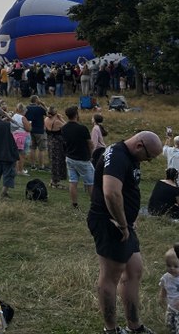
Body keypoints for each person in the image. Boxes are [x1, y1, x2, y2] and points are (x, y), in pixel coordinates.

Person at [89, 131, 163, 334]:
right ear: (139, 145)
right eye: (149, 157)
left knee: (134, 270)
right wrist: (122, 224)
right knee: (110, 276)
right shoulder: (118, 156)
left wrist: (130, 219)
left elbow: (127, 189)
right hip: (110, 222)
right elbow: (111, 192)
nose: (148, 161)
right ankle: (111, 329)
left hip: (124, 223)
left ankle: (134, 326)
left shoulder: (129, 155)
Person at [62, 105, 95, 210]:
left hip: (70, 157)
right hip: (82, 158)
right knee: (91, 182)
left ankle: (74, 204)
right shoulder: (82, 128)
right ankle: (95, 205)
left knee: (73, 181)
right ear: (76, 115)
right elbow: (90, 144)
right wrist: (91, 155)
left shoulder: (64, 128)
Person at [45, 106, 68, 189]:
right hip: (57, 144)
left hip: (50, 143)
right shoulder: (57, 122)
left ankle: (53, 180)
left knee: (53, 162)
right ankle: (55, 182)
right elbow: (67, 126)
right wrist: (61, 118)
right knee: (58, 162)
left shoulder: (46, 119)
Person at [158, 245, 179, 334]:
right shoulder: (165, 277)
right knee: (169, 325)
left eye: (176, 266)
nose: (172, 268)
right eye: (168, 265)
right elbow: (164, 288)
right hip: (170, 307)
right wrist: (162, 297)